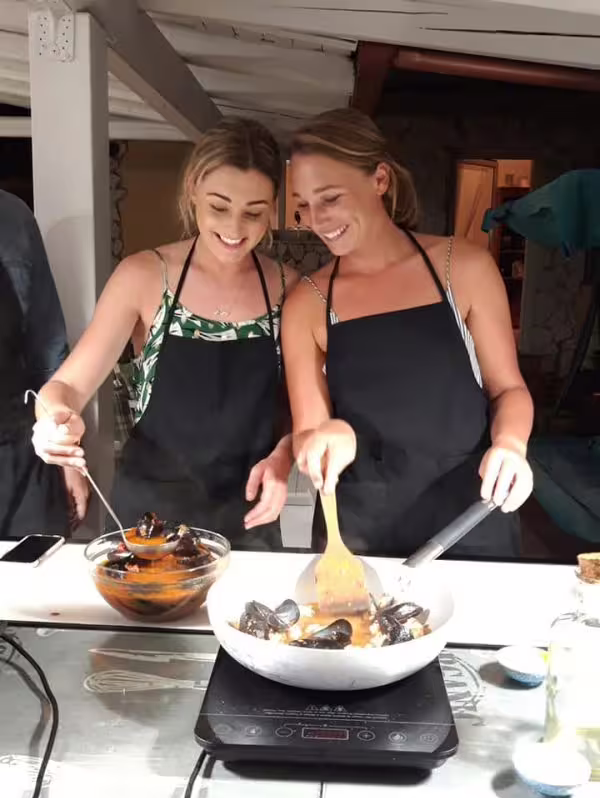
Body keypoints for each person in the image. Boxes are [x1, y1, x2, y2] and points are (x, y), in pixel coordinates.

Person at [32, 118, 298, 549]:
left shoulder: (288, 287)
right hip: (149, 518)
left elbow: (298, 408)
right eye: (218, 206)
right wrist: (55, 425)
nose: (234, 229)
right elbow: (63, 387)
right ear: (193, 189)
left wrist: (284, 455)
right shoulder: (143, 276)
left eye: (254, 213)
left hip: (249, 519)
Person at [282, 108, 534, 559]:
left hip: (470, 515)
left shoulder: (464, 266)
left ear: (379, 179)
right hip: (360, 532)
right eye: (303, 204)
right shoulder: (309, 300)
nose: (316, 219)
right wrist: (328, 432)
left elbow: (509, 389)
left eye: (330, 198)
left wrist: (511, 446)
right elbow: (307, 430)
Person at [0, 190, 89, 539]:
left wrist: (69, 459)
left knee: (41, 586)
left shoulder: (11, 218)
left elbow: (48, 353)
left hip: (18, 456)